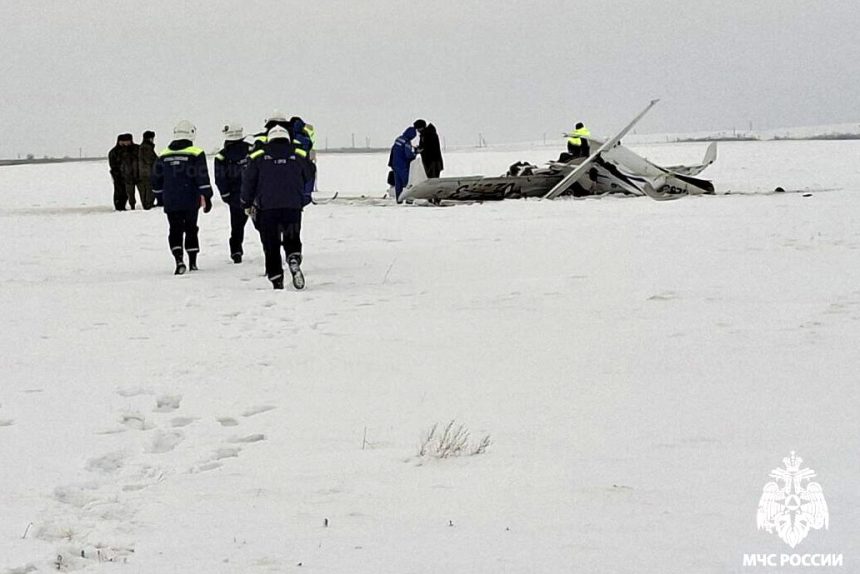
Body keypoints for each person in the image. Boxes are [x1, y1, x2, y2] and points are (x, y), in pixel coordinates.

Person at [241, 125, 315, 290]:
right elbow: (309, 173)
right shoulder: (298, 154)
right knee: (292, 236)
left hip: (268, 208)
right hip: (292, 206)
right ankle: (293, 257)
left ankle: (276, 278)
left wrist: (246, 202)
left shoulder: (258, 156)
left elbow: (248, 182)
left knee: (271, 244)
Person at [151, 120, 213, 275]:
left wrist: (159, 196)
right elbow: (202, 176)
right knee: (191, 228)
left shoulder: (164, 154)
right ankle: (193, 261)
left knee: (175, 229)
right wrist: (207, 196)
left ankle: (178, 259)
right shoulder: (196, 152)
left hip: (171, 199)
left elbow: (156, 179)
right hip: (191, 199)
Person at [214, 123, 251, 263]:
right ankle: (270, 249)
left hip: (236, 197)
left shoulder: (222, 155)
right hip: (255, 195)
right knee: (264, 225)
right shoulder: (252, 149)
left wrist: (225, 195)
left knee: (237, 226)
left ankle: (236, 252)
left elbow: (220, 177)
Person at [107, 133, 139, 210]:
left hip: (134, 174)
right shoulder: (114, 152)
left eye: (127, 141)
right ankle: (119, 206)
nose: (125, 143)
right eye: (123, 141)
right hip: (119, 176)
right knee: (120, 192)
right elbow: (113, 165)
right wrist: (117, 174)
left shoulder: (136, 149)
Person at [388, 127, 417, 203]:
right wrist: (415, 153)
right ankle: (409, 200)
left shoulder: (398, 139)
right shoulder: (406, 142)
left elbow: (394, 150)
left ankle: (399, 200)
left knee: (398, 184)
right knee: (407, 183)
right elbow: (408, 155)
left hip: (395, 164)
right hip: (403, 165)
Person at [138, 130, 158, 209]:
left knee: (146, 189)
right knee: (149, 189)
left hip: (144, 172)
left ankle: (147, 204)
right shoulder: (146, 147)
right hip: (148, 172)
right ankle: (148, 204)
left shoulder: (144, 146)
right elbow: (150, 159)